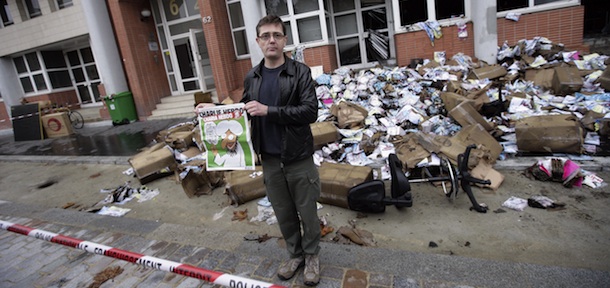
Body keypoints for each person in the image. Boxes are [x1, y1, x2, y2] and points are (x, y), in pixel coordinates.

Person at [196, 14, 321, 286]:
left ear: (284, 40)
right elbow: (242, 112)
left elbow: (310, 111)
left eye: (276, 35)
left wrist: (270, 111)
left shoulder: (300, 72)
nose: (271, 40)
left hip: (298, 156)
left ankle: (312, 255)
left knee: (307, 211)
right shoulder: (252, 76)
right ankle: (295, 254)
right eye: (266, 36)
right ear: (258, 41)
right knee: (284, 212)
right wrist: (214, 110)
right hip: (270, 159)